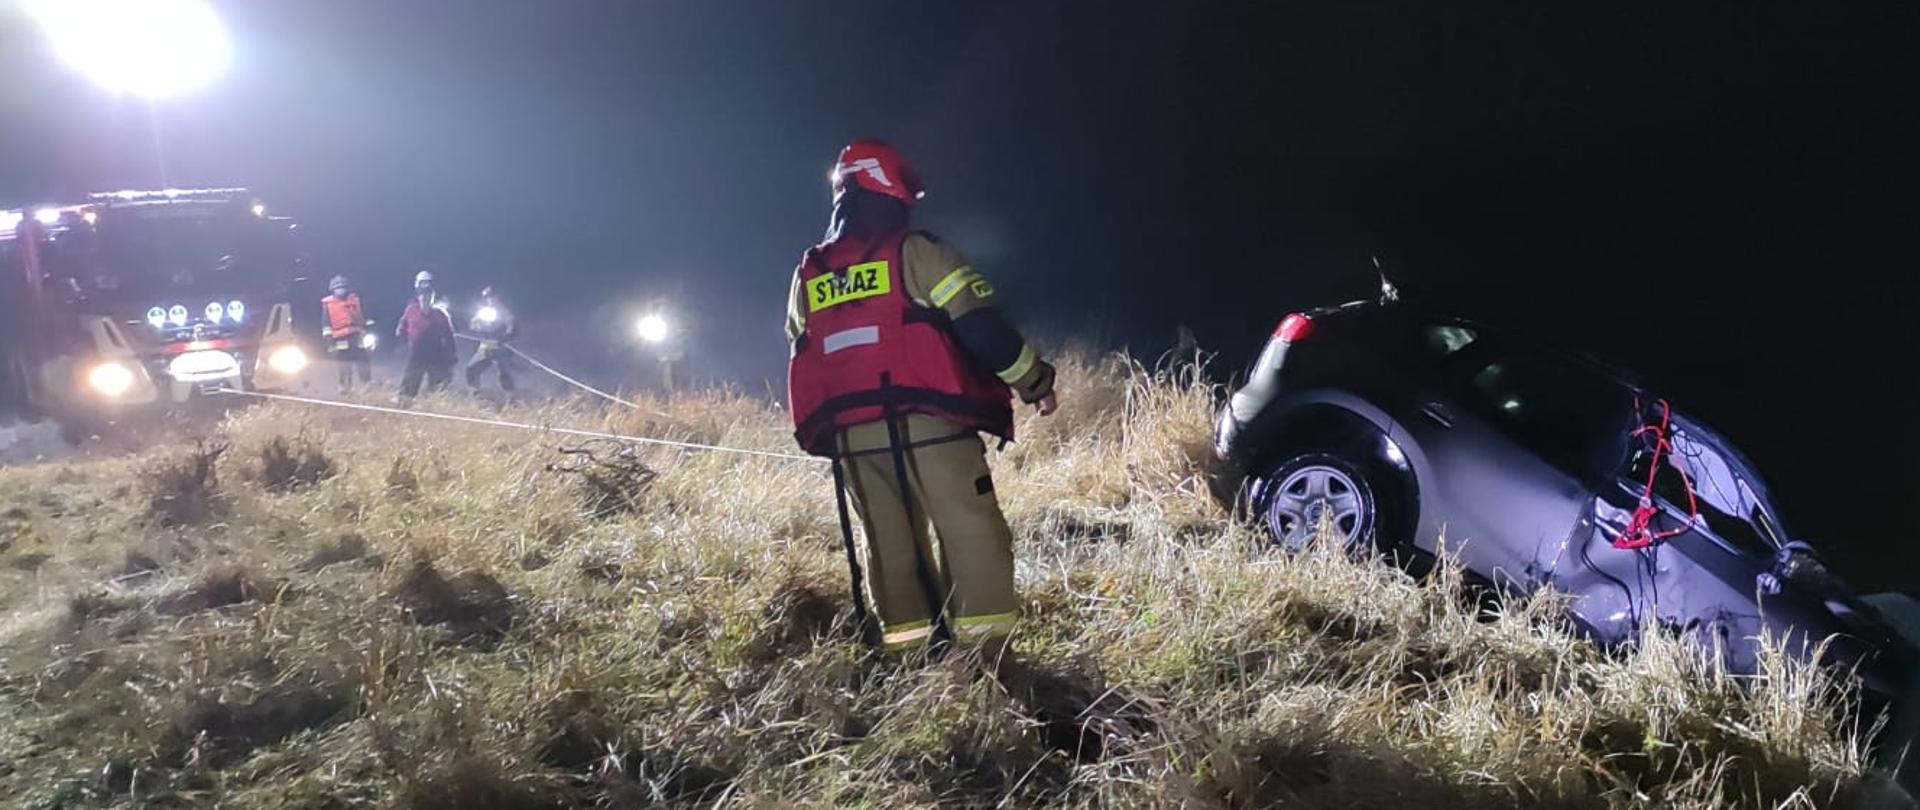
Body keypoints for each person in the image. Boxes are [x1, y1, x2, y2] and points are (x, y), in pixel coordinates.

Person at [786, 138, 1058, 654]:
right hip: (930, 420)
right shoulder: (918, 253)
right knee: (971, 528)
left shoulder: (809, 274)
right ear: (889, 188)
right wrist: (1035, 382)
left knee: (888, 545)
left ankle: (909, 659)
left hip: (852, 433)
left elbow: (802, 345)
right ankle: (985, 660)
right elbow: (982, 329)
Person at [395, 269, 456, 404]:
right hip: (417, 352)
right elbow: (401, 329)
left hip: (436, 353)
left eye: (428, 295)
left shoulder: (440, 314)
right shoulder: (411, 310)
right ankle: (403, 403)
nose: (425, 297)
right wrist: (404, 343)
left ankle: (434, 404)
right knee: (411, 379)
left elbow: (449, 336)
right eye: (423, 295)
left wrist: (451, 355)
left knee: (438, 383)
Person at [320, 275, 374, 392]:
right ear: (333, 289)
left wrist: (368, 330)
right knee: (344, 363)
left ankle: (366, 384)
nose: (341, 290)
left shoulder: (355, 300)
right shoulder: (328, 305)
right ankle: (344, 386)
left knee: (362, 359)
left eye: (343, 287)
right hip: (340, 338)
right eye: (338, 288)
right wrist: (330, 344)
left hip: (357, 335)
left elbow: (364, 316)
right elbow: (326, 325)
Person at [464, 285, 517, 393]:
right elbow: (472, 325)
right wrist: (480, 326)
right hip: (485, 347)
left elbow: (512, 326)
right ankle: (475, 392)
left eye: (492, 297)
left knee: (504, 374)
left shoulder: (504, 312)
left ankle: (511, 397)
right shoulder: (483, 312)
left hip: (500, 348)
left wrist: (506, 336)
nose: (490, 300)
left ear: (497, 297)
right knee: (471, 368)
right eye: (487, 298)